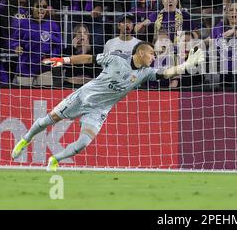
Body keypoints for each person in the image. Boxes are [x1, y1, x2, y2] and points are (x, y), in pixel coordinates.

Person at [11, 41, 205, 171]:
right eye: (152, 53)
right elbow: (89, 59)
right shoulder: (116, 59)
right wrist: (64, 60)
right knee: (49, 120)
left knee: (83, 144)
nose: (154, 57)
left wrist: (185, 66)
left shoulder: (145, 72)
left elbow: (166, 73)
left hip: (99, 110)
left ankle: (55, 160)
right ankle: (25, 139)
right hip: (82, 97)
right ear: (141, 52)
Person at [10, 0, 62, 86]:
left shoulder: (52, 25)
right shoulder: (24, 23)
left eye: (44, 7)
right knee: (24, 97)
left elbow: (59, 43)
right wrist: (16, 47)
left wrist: (53, 54)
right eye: (38, 6)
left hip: (44, 66)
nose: (41, 9)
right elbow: (14, 39)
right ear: (31, 8)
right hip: (26, 65)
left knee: (46, 95)